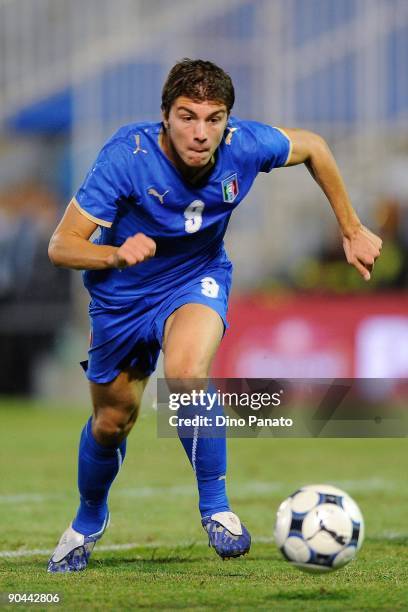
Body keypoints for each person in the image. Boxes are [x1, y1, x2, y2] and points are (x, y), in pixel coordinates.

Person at [47, 58, 382, 573]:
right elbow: (62, 245)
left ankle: (216, 508)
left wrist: (351, 227)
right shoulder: (126, 156)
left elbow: (314, 144)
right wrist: (113, 254)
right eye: (187, 116)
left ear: (227, 121)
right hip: (121, 296)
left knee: (186, 374)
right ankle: (89, 518)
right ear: (164, 116)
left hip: (195, 278)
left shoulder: (245, 145)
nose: (201, 132)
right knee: (112, 422)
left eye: (214, 117)